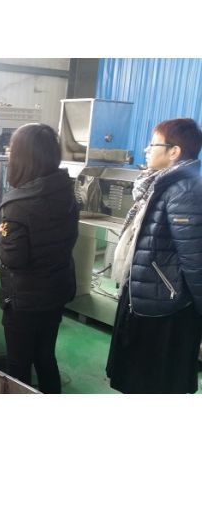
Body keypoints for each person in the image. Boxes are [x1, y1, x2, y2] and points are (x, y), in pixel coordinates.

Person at [106, 118, 202, 393]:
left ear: (174, 152)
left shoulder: (184, 190)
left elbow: (195, 259)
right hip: (147, 295)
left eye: (153, 144)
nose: (146, 149)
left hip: (166, 307)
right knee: (139, 379)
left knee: (153, 384)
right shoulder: (159, 184)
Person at [0, 123, 78, 393]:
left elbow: (14, 258)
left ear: (23, 157)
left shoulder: (18, 204)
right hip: (56, 291)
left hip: (25, 300)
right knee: (45, 357)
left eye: (12, 150)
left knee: (18, 364)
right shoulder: (66, 192)